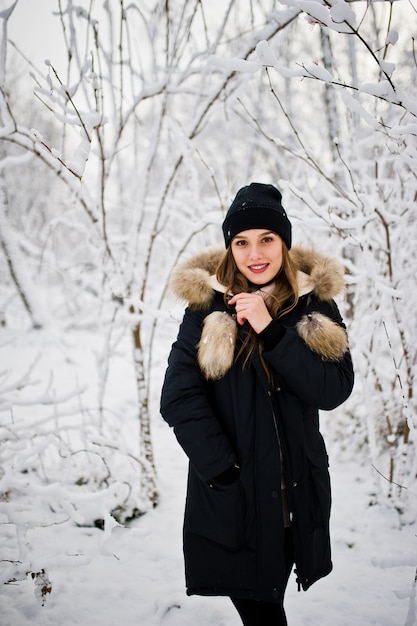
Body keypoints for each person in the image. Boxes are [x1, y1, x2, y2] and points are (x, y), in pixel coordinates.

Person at [160, 182, 354, 625]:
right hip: (235, 501)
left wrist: (272, 333)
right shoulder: (206, 310)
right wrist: (223, 469)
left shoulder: (314, 305)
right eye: (241, 242)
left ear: (284, 244)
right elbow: (178, 397)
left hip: (295, 497)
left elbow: (333, 389)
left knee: (269, 604)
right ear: (230, 249)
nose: (255, 253)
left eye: (267, 238)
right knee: (263, 613)